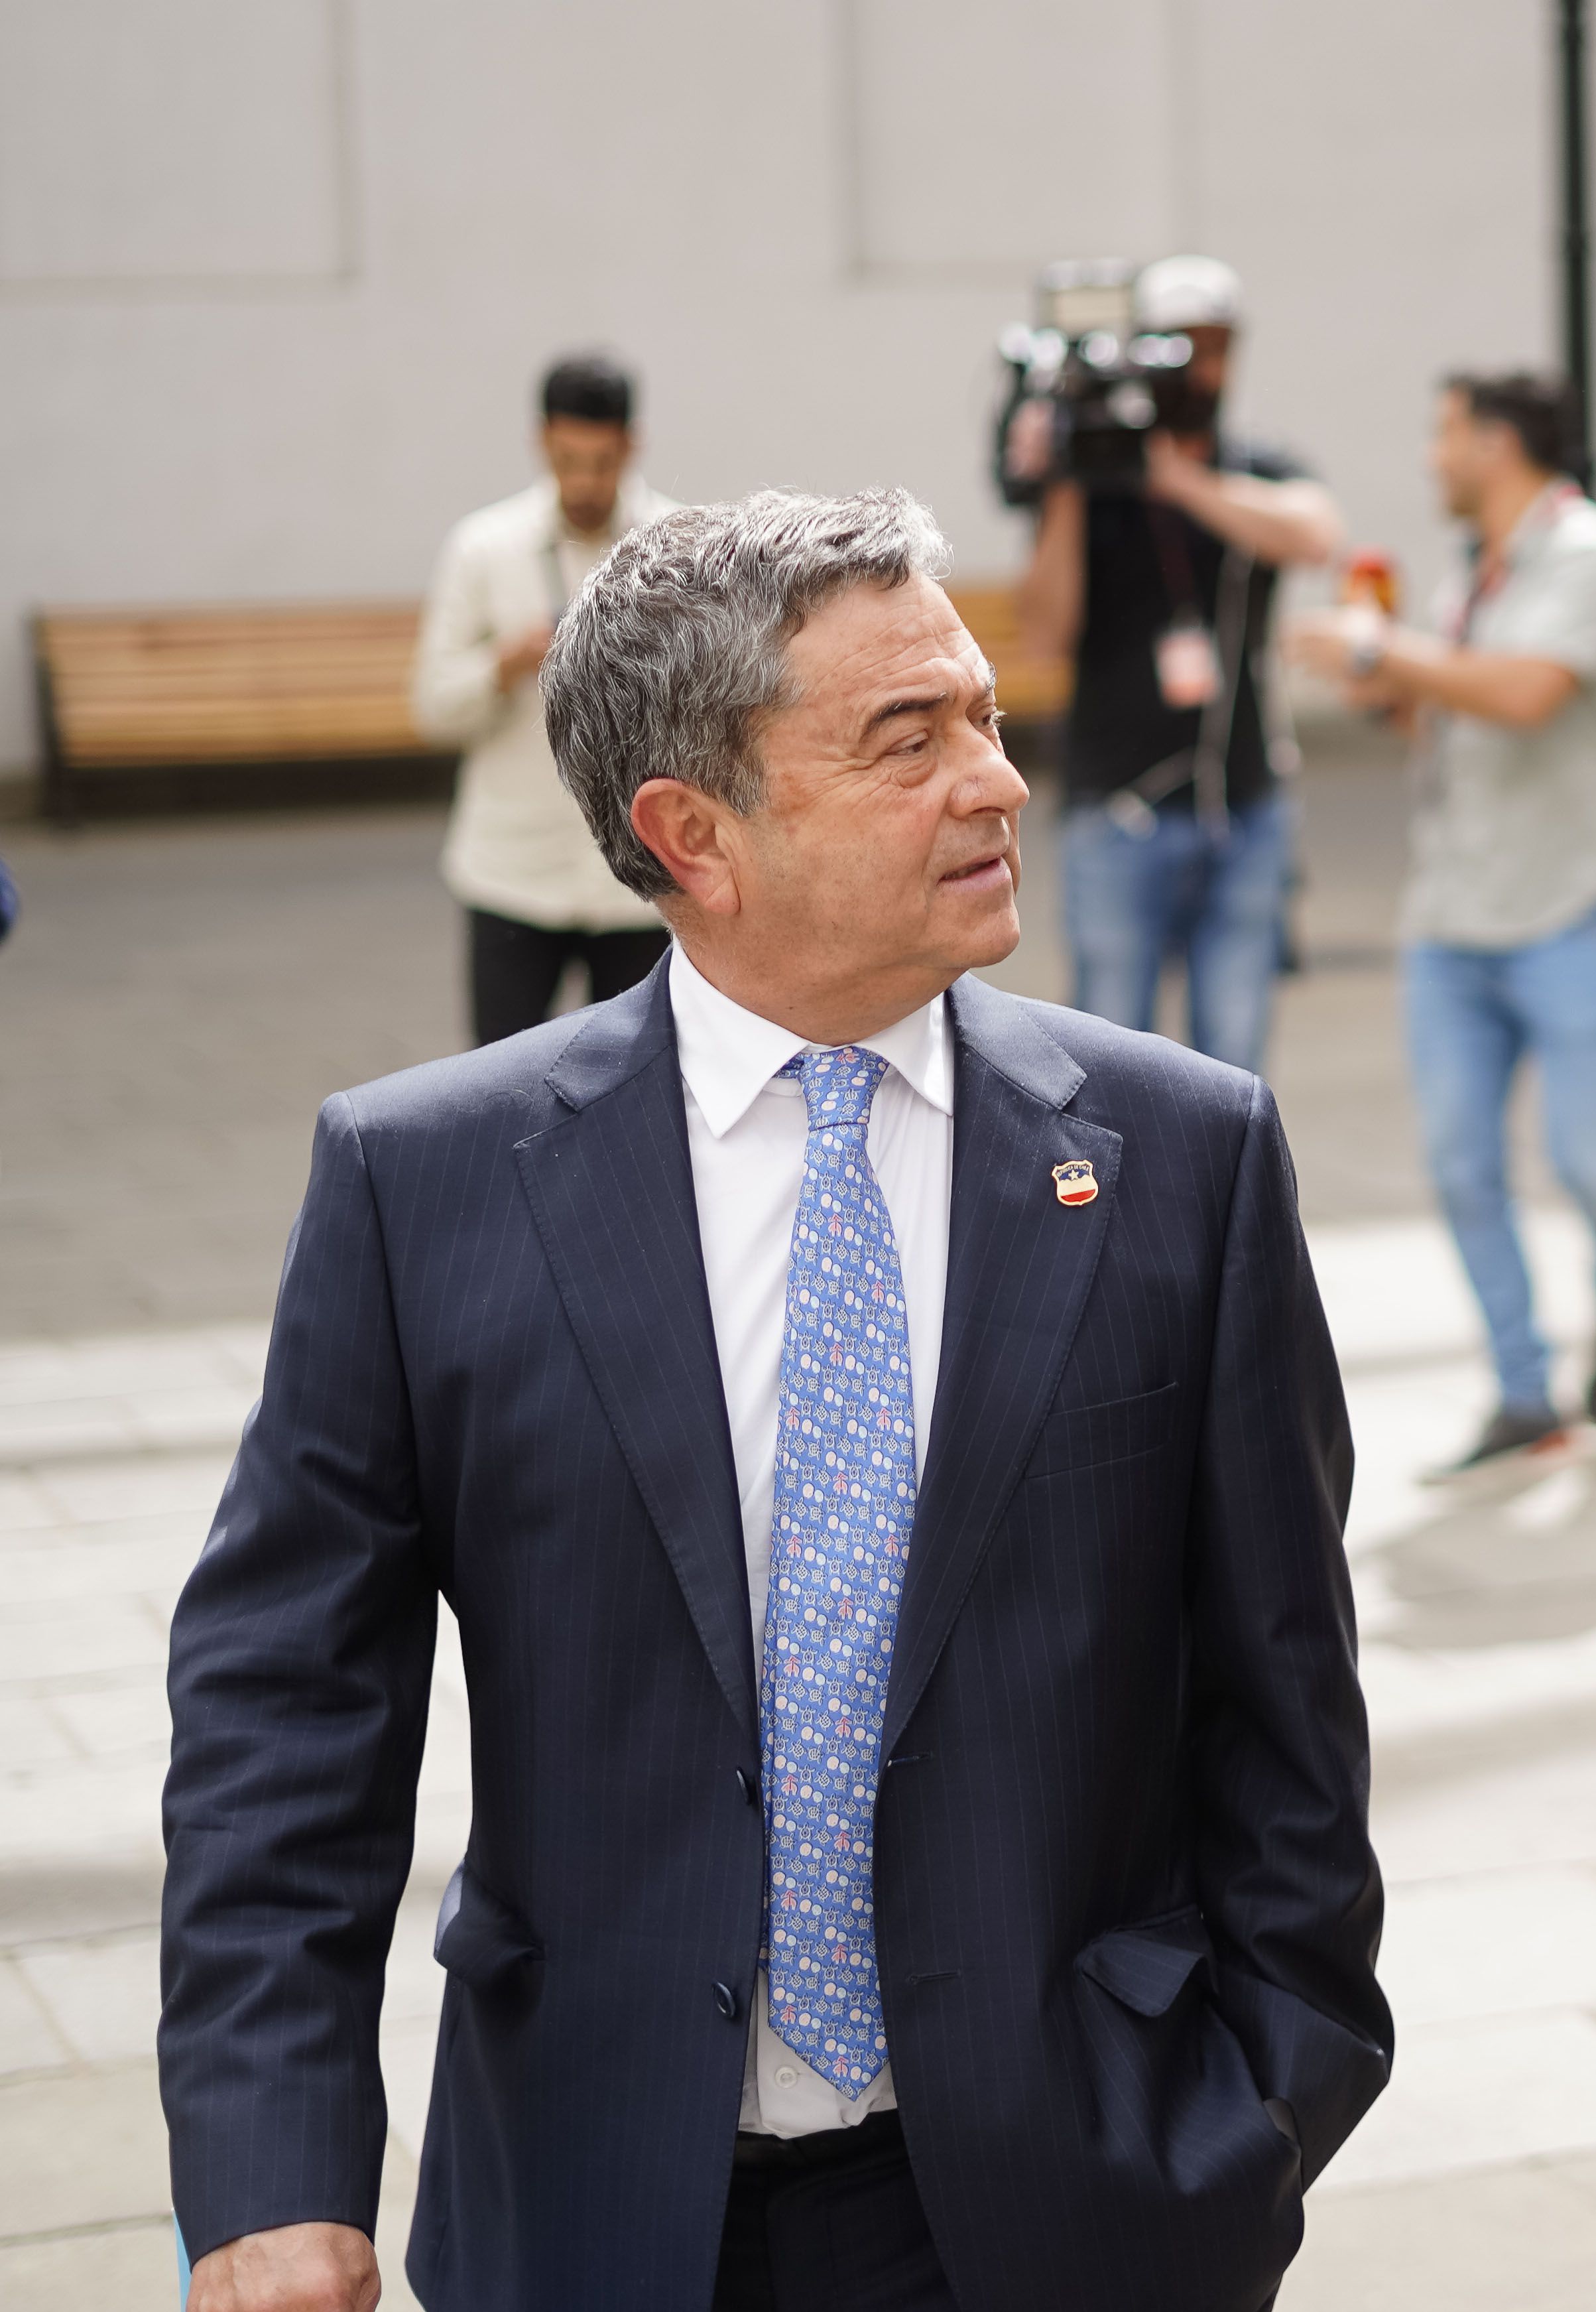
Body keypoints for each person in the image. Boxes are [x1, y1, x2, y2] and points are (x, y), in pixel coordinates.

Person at [162, 488, 1388, 2312]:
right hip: (589, 2200)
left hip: (1075, 2204)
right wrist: (271, 2172)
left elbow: (1282, 1700)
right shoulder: (427, 1184)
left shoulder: (1180, 1158)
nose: (999, 780)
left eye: (981, 712)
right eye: (911, 738)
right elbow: (286, 1718)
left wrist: (1253, 2115)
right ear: (691, 833)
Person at [1290, 373, 1596, 1476]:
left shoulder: (1592, 556)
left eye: (1443, 434)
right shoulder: (1469, 573)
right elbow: (1448, 718)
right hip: (1452, 915)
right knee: (1460, 1165)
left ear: (1497, 443)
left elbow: (1525, 694)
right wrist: (1397, 683)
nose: (1430, 457)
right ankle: (1520, 1390)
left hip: (1572, 909)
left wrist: (1374, 650)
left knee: (1591, 1159)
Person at [1015, 255, 1342, 1074]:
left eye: (1216, 346)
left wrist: (1177, 479)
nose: (1202, 368)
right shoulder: (1093, 486)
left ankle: (1219, 1205)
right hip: (1117, 810)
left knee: (1234, 1055)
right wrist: (1067, 482)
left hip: (1245, 806)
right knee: (1108, 1054)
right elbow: (1046, 632)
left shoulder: (1256, 466)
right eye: (1182, 347)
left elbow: (1315, 533)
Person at [413, 352, 675, 1045]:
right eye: (567, 459)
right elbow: (434, 709)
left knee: (641, 1093)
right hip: (512, 875)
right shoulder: (483, 548)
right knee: (498, 1090)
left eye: (602, 461)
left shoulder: (679, 546)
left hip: (638, 880)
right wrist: (504, 665)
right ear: (541, 442)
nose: (585, 480)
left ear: (631, 444)